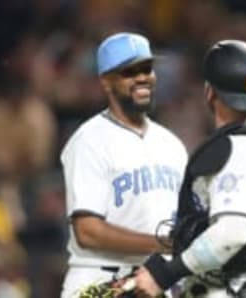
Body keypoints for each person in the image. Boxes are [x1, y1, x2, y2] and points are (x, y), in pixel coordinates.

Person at [133, 40, 246, 298]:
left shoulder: (235, 152)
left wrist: (165, 274)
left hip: (225, 291)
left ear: (210, 91)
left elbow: (232, 233)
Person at [59, 32, 188, 298]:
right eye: (129, 72)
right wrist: (162, 245)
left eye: (147, 69)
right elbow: (88, 232)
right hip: (100, 281)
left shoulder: (172, 144)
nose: (142, 78)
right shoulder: (89, 141)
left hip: (156, 283)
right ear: (106, 82)